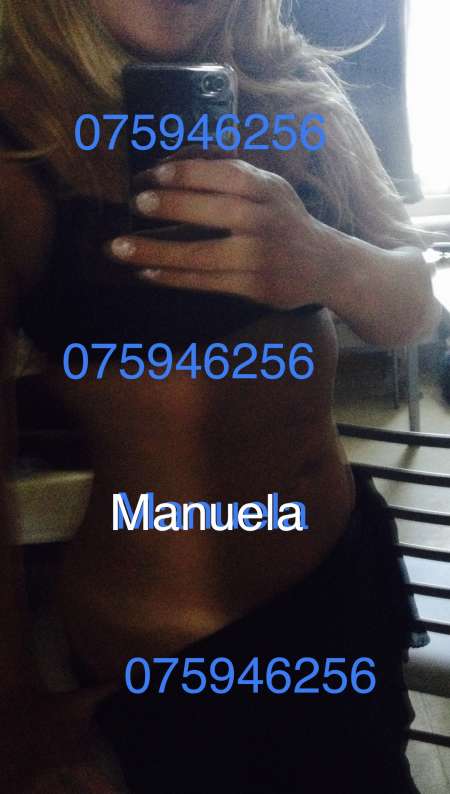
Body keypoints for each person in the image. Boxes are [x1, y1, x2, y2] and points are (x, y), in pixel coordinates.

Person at [0, 1, 442, 792]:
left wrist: (324, 261)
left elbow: (415, 310)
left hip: (342, 579)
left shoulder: (297, 94)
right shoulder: (18, 142)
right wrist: (14, 709)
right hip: (174, 649)